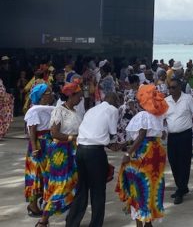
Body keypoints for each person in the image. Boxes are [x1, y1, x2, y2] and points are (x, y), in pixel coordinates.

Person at [116, 84, 168, 226]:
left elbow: (141, 135)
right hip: (157, 152)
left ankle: (140, 221)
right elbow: (163, 135)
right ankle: (149, 221)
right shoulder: (159, 115)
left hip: (145, 152)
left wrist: (128, 153)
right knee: (153, 185)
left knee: (138, 187)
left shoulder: (143, 115)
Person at [65, 92, 119, 227]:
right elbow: (113, 133)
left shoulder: (91, 110)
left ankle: (72, 223)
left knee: (81, 189)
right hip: (95, 153)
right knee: (98, 190)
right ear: (114, 100)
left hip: (81, 150)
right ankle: (95, 224)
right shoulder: (112, 109)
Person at [37, 82, 83, 227]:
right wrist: (72, 138)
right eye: (79, 96)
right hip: (61, 152)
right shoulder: (59, 110)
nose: (81, 99)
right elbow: (54, 133)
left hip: (73, 150)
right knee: (59, 184)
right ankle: (43, 220)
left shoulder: (76, 112)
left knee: (73, 183)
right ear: (71, 95)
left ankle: (70, 218)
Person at [165, 77, 193, 205]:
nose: (171, 90)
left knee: (184, 163)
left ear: (180, 87)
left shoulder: (188, 99)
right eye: (169, 87)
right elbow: (163, 118)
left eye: (173, 87)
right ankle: (182, 187)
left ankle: (180, 190)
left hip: (185, 135)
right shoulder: (166, 101)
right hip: (172, 136)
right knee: (173, 162)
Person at [24, 84, 55, 217]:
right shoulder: (34, 110)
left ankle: (44, 200)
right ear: (41, 97)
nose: (52, 94)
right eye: (49, 93)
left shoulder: (50, 108)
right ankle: (33, 205)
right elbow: (32, 130)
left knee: (46, 173)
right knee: (36, 173)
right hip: (39, 144)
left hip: (48, 143)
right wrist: (34, 147)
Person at [116, 74, 142, 145]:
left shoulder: (127, 91)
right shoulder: (134, 92)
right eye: (138, 82)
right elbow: (131, 104)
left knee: (124, 128)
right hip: (130, 112)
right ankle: (126, 144)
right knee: (129, 128)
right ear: (134, 82)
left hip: (125, 111)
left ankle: (124, 144)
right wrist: (136, 114)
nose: (139, 83)